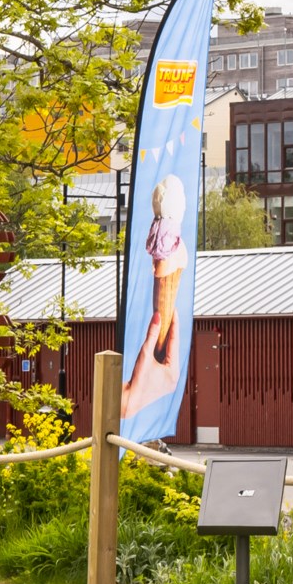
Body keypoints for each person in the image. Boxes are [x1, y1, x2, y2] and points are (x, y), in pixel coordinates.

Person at [120, 173, 191, 422]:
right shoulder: (173, 240)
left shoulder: (164, 235)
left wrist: (129, 400)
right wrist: (130, 400)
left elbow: (159, 265)